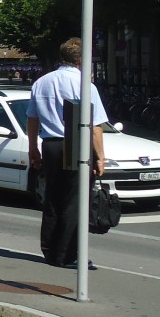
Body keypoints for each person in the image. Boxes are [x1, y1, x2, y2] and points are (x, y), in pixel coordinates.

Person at [26, 37, 107, 269]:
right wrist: (100, 156)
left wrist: (33, 148)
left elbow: (32, 119)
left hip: (50, 144)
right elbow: (95, 127)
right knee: (75, 201)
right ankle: (67, 254)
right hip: (75, 143)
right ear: (81, 60)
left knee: (52, 197)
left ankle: (50, 250)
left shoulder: (41, 82)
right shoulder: (85, 85)